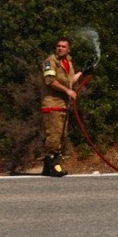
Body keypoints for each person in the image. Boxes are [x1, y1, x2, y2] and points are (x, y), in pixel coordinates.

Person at [40, 37, 80, 177]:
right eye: (58, 46)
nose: (60, 48)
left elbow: (70, 81)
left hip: (63, 105)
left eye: (63, 46)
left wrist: (83, 73)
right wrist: (68, 91)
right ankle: (54, 165)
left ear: (69, 49)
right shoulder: (50, 62)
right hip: (52, 104)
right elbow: (50, 81)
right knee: (54, 136)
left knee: (61, 135)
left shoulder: (68, 62)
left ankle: (47, 166)